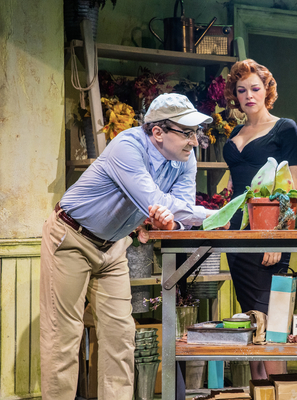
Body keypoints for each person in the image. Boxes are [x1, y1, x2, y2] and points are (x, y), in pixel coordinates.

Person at [40, 93, 216, 399]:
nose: (193, 140)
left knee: (121, 338)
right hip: (72, 238)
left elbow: (180, 211)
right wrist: (214, 215)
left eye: (195, 133)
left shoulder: (185, 160)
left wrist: (169, 221)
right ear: (158, 132)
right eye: (186, 132)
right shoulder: (128, 145)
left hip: (112, 246)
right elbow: (156, 202)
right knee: (63, 339)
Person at [223, 59, 297, 378]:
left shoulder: (285, 128)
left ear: (267, 90)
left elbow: (292, 189)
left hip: (269, 235)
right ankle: (261, 392)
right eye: (241, 90)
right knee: (252, 324)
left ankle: (282, 391)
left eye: (255, 88)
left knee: (273, 327)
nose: (248, 95)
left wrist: (277, 238)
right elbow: (235, 184)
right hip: (237, 239)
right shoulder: (235, 131)